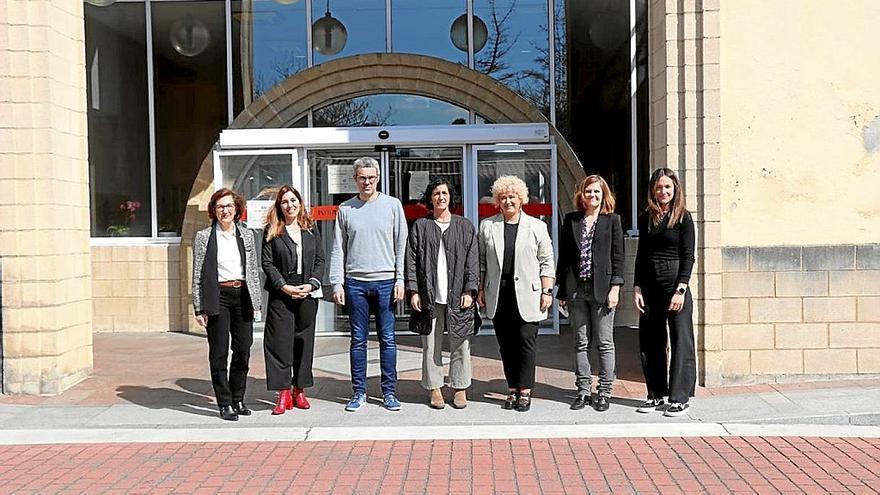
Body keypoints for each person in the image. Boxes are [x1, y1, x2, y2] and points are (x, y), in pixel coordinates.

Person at [330, 157, 408, 412]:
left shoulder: (393, 206)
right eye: (362, 177)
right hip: (355, 284)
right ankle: (359, 392)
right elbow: (338, 249)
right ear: (355, 179)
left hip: (386, 282)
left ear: (378, 178)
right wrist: (337, 283)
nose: (367, 182)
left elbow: (401, 246)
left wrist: (400, 279)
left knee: (387, 339)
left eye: (371, 177)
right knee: (358, 340)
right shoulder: (346, 209)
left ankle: (389, 392)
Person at [477, 175, 555, 412]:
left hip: (529, 295)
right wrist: (480, 288)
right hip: (500, 295)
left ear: (521, 199)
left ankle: (526, 390)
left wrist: (547, 290)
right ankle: (512, 388)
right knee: (506, 345)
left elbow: (547, 261)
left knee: (526, 343)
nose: (508, 201)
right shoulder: (488, 226)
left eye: (512, 197)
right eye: (503, 198)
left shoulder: (537, 226)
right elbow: (481, 261)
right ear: (497, 201)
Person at [405, 177, 479, 410]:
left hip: (458, 295)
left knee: (461, 342)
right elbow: (411, 260)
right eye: (436, 193)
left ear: (451, 197)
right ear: (430, 197)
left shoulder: (464, 226)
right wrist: (414, 290)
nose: (441, 197)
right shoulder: (420, 226)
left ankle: (460, 387)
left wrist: (470, 289)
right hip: (429, 295)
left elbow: (473, 260)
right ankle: (434, 388)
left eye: (445, 193)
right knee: (430, 343)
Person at [192, 188, 262, 421]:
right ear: (214, 210)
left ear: (237, 209)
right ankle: (224, 402)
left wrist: (256, 302)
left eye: (229, 206)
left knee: (243, 349)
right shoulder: (204, 236)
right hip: (217, 296)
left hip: (241, 294)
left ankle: (238, 398)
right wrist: (199, 307)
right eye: (221, 206)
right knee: (219, 352)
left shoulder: (246, 234)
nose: (225, 210)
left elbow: (252, 270)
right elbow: (198, 273)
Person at [556, 175, 625, 412]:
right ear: (581, 195)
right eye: (588, 192)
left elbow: (618, 257)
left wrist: (616, 286)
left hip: (603, 290)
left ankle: (604, 392)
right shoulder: (572, 220)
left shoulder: (612, 220)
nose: (592, 196)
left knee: (605, 343)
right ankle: (583, 391)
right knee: (580, 342)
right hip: (577, 290)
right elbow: (563, 258)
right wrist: (561, 291)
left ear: (603, 194)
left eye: (597, 192)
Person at [633, 167, 696, 417]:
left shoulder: (684, 217)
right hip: (650, 286)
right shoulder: (647, 216)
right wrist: (637, 286)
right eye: (659, 187)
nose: (663, 191)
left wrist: (681, 289)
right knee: (650, 341)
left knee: (681, 340)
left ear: (675, 189)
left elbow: (688, 256)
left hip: (675, 286)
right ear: (653, 190)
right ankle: (656, 394)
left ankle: (679, 397)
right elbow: (641, 254)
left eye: (667, 187)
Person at [261, 185, 325, 415]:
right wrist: (284, 287)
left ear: (300, 202)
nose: (290, 205)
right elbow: (267, 263)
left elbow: (320, 259)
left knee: (303, 342)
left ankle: (299, 389)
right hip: (282, 293)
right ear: (279, 206)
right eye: (285, 202)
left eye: (293, 200)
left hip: (307, 291)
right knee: (280, 344)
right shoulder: (273, 230)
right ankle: (283, 392)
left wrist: (312, 284)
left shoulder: (310, 228)